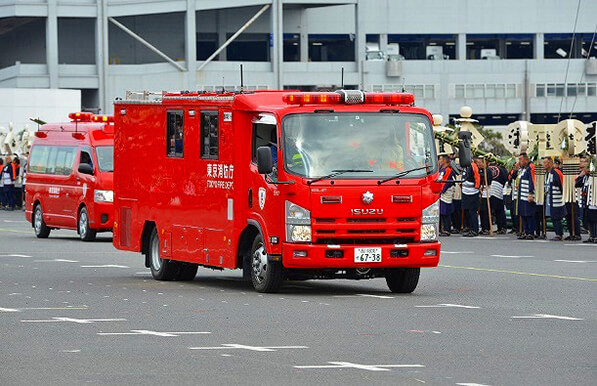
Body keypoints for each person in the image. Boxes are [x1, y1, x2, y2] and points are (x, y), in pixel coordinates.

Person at [543, 157, 566, 241]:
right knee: (553, 216)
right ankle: (557, 233)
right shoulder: (547, 173)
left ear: (550, 163)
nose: (543, 165)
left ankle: (559, 234)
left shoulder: (556, 172)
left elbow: (561, 184)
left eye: (545, 163)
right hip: (550, 198)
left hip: (557, 197)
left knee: (557, 216)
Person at [566, 157, 586, 241]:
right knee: (569, 215)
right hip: (570, 194)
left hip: (579, 197)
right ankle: (571, 232)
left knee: (575, 216)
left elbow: (577, 182)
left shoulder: (585, 173)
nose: (580, 163)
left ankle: (577, 233)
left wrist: (580, 176)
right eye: (580, 161)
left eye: (582, 161)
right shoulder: (575, 170)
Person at [516, 153, 536, 240]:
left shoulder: (530, 167)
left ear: (526, 159)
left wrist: (531, 193)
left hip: (527, 194)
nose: (519, 161)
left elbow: (532, 180)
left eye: (520, 159)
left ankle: (531, 232)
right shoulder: (522, 169)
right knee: (523, 214)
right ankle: (526, 231)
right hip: (522, 194)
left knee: (529, 214)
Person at [578, 158, 597, 243]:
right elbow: (577, 184)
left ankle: (595, 236)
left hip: (594, 200)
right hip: (587, 201)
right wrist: (581, 175)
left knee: (595, 219)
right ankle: (591, 235)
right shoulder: (585, 177)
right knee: (589, 219)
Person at [461, 156, 481, 237]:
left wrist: (477, 186)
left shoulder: (473, 166)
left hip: (472, 193)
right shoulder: (465, 166)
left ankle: (474, 230)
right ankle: (469, 228)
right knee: (467, 212)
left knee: (472, 212)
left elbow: (477, 177)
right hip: (465, 192)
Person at [438, 154, 455, 236]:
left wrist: (441, 191)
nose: (439, 161)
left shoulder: (448, 170)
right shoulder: (441, 169)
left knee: (445, 211)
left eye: (440, 159)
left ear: (444, 160)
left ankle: (447, 229)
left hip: (446, 192)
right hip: (440, 192)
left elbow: (446, 182)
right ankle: (441, 228)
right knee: (441, 210)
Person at [489, 162, 508, 234]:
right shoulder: (502, 170)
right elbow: (505, 179)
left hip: (493, 189)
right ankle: (501, 227)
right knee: (499, 210)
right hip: (498, 188)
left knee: (498, 210)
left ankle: (502, 227)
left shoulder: (489, 169)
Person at [477, 157, 493, 235]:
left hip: (486, 192)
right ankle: (483, 227)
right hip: (480, 192)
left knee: (486, 211)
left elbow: (489, 182)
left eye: (480, 163)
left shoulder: (488, 171)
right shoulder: (479, 170)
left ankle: (487, 228)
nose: (479, 164)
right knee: (482, 211)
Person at [508, 162, 521, 234]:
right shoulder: (513, 172)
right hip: (512, 193)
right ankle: (514, 227)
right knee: (512, 211)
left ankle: (518, 228)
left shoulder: (519, 172)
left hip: (517, 195)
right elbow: (510, 180)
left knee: (516, 213)